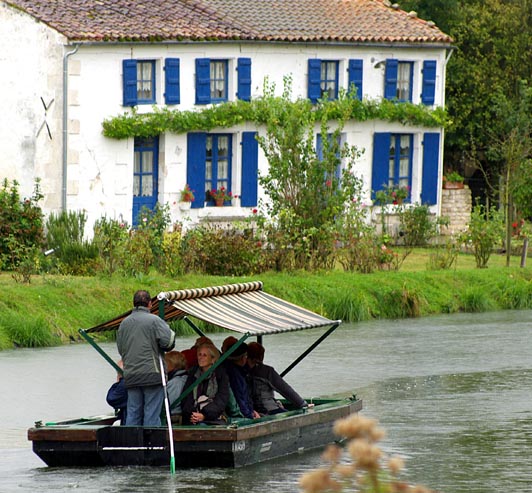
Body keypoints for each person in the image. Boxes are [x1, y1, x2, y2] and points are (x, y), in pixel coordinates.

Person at [116, 289, 175, 427]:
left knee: (133, 412)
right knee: (151, 413)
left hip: (131, 376)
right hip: (152, 375)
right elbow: (168, 343)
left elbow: (121, 349)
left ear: (133, 303)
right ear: (150, 304)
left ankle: (132, 444)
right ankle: (151, 444)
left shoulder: (123, 324)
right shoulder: (155, 320)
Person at [246, 342, 308, 415]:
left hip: (251, 410)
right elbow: (285, 389)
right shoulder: (266, 371)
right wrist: (303, 404)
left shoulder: (241, 371)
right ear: (261, 356)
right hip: (268, 410)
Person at [182, 342, 230, 425]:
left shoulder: (220, 375)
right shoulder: (193, 374)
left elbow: (221, 399)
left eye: (204, 355)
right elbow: (186, 397)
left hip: (213, 417)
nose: (201, 358)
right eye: (199, 355)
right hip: (193, 417)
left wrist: (204, 415)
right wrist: (193, 414)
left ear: (212, 359)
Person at [222, 337, 260, 419]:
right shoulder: (235, 375)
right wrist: (250, 416)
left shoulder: (236, 370)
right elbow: (240, 399)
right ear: (243, 358)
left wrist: (252, 411)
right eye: (246, 356)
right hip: (241, 416)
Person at [165, 350, 188, 420]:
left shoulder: (176, 382)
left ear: (173, 364)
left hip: (173, 413)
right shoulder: (183, 377)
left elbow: (168, 403)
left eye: (166, 363)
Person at [106, 360, 127, 425]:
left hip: (128, 421)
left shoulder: (124, 384)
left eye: (118, 373)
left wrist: (118, 382)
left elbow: (111, 399)